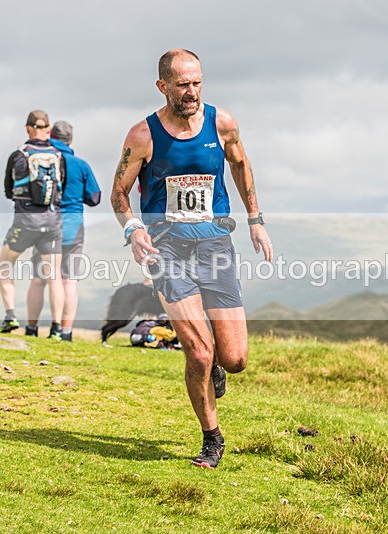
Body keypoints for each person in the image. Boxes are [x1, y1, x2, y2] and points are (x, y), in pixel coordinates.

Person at [110, 49, 273, 469]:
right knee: (199, 353)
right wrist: (134, 230)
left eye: (197, 83)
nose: (192, 92)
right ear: (162, 86)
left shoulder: (222, 123)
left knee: (234, 360)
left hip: (216, 247)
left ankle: (217, 363)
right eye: (182, 84)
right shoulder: (142, 136)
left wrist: (255, 219)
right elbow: (119, 193)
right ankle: (211, 438)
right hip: (167, 251)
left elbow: (240, 163)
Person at [25, 121, 101, 340]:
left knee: (39, 279)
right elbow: (94, 198)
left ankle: (31, 329)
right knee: (68, 280)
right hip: (72, 229)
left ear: (51, 136)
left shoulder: (42, 161)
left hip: (45, 226)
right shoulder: (81, 165)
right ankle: (64, 332)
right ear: (70, 140)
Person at [0, 110, 65, 339]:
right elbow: (62, 188)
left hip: (25, 221)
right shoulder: (58, 155)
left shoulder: (18, 155)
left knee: (5, 265)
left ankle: (10, 316)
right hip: (52, 222)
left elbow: (8, 190)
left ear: (27, 129)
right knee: (54, 275)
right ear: (48, 130)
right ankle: (57, 329)